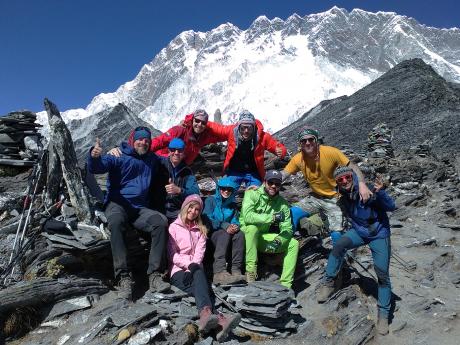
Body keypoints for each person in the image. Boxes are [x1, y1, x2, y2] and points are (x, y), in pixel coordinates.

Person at [87, 127, 170, 300]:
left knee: (160, 222)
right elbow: (98, 167)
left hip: (140, 208)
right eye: (140, 139)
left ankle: (154, 274)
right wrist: (94, 156)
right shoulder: (118, 155)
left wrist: (179, 154)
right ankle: (123, 277)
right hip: (118, 203)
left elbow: (169, 161)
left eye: (147, 140)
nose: (143, 142)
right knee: (116, 222)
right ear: (133, 140)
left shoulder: (152, 159)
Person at [316, 166, 396, 335]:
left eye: (347, 177)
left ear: (352, 177)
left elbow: (391, 206)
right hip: (360, 232)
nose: (344, 181)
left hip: (379, 234)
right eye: (340, 180)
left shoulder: (368, 190)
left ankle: (383, 314)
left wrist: (379, 193)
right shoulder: (343, 197)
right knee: (339, 245)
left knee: (382, 274)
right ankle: (329, 281)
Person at [167, 195, 241, 341]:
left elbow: (199, 254)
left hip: (196, 270)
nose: (193, 211)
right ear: (185, 207)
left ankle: (206, 315)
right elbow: (172, 254)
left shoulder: (201, 230)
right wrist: (188, 266)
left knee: (200, 281)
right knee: (205, 289)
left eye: (197, 209)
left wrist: (193, 267)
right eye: (191, 207)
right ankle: (220, 321)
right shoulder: (173, 227)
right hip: (178, 271)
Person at [282, 127, 372, 244]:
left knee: (336, 232)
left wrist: (362, 184)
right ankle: (285, 246)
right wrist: (267, 184)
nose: (307, 143)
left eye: (311, 139)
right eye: (304, 141)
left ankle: (341, 258)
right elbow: (283, 174)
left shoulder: (331, 152)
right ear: (300, 144)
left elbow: (353, 167)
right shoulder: (298, 159)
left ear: (316, 141)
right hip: (316, 197)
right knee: (291, 214)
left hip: (335, 198)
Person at [239, 170, 299, 288]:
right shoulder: (252, 193)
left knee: (294, 243)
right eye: (270, 182)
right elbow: (247, 216)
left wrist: (280, 240)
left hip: (262, 237)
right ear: (265, 182)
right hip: (245, 235)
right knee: (252, 228)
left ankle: (286, 285)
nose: (273, 186)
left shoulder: (282, 204)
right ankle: (251, 272)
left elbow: (287, 227)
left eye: (277, 184)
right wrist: (271, 218)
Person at [207, 110, 287, 187]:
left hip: (253, 173)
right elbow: (217, 128)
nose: (246, 131)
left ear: (254, 127)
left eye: (249, 128)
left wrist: (281, 151)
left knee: (254, 195)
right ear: (239, 127)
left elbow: (275, 145)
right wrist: (201, 121)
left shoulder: (262, 136)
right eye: (243, 128)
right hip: (234, 171)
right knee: (223, 189)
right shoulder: (232, 131)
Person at [202, 177, 245, 285]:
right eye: (223, 188)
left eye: (229, 189)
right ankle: (219, 272)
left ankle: (236, 269)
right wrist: (224, 225)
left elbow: (236, 219)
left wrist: (235, 226)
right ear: (218, 188)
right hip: (213, 232)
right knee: (223, 234)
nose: (226, 191)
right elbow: (207, 218)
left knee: (240, 235)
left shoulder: (232, 205)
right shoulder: (210, 200)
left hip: (228, 231)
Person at [150, 138, 200, 222]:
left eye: (180, 150)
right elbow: (143, 151)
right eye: (173, 150)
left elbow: (195, 192)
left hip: (177, 210)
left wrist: (179, 190)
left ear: (184, 153)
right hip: (157, 208)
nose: (176, 153)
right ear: (168, 151)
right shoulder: (159, 163)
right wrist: (121, 148)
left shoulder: (187, 171)